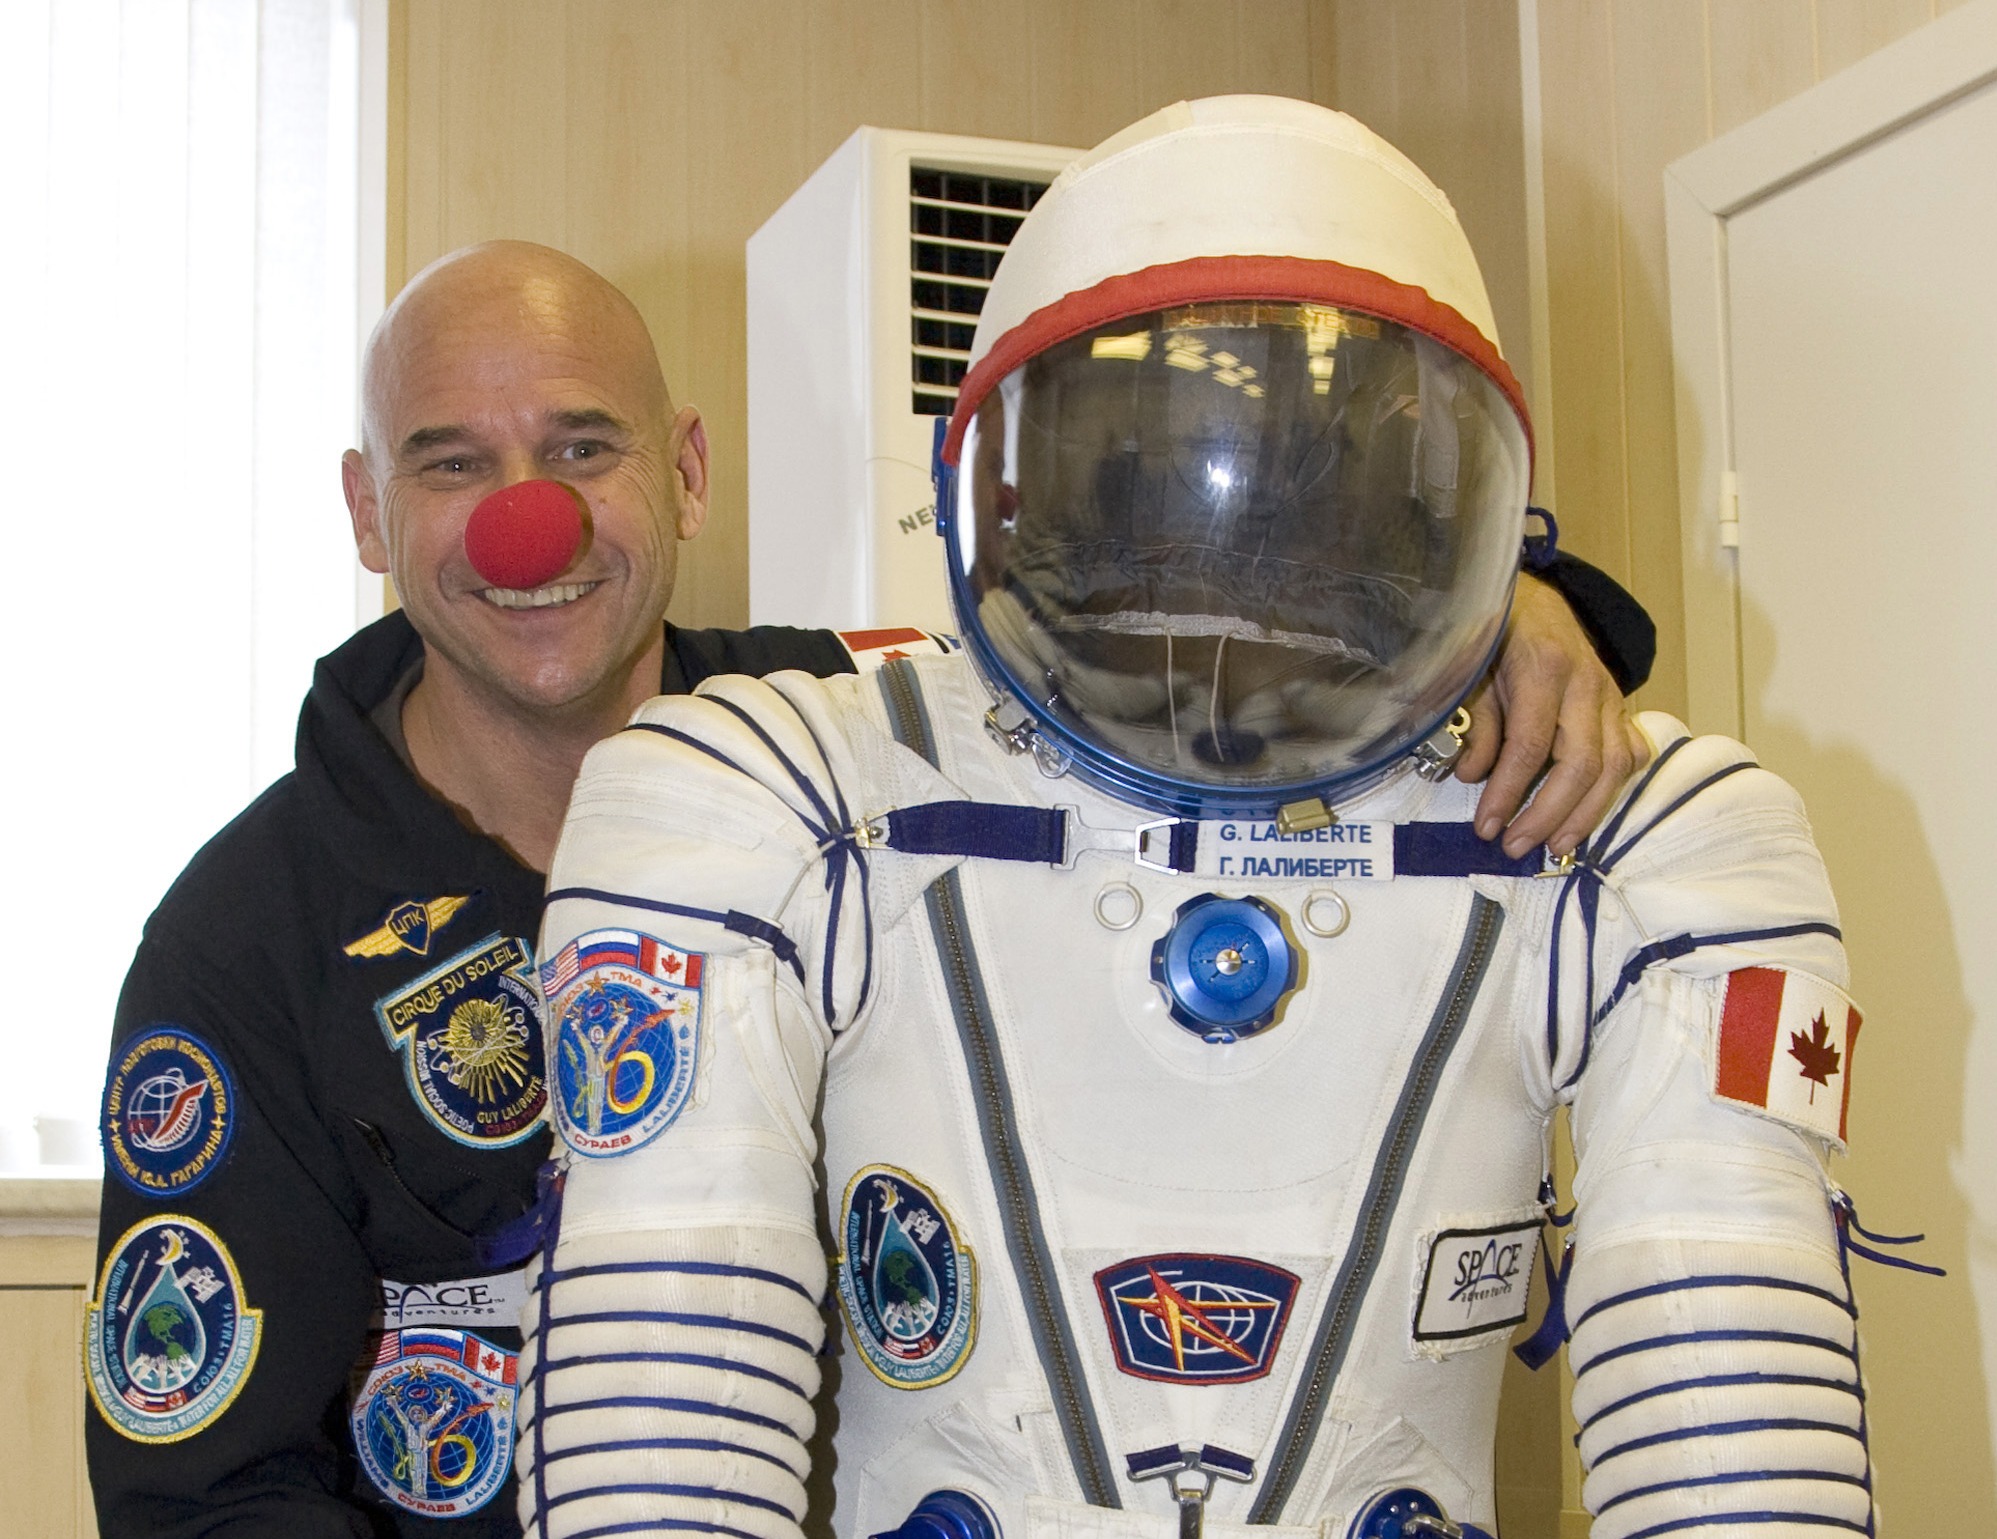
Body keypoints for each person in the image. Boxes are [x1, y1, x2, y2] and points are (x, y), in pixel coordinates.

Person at [82, 231, 1649, 1535]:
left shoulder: (882, 745)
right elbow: (203, 1488)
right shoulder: (244, 941)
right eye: (452, 464)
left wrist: (1507, 603)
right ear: (368, 512)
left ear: (684, 471)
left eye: (582, 449)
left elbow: (1202, 652)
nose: (527, 520)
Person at [516, 100, 1870, 1539]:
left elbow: (1733, 1442)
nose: (1239, 554)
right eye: (1162, 473)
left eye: (1311, 477)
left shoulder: (1638, 837)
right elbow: (659, 1420)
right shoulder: (782, 794)